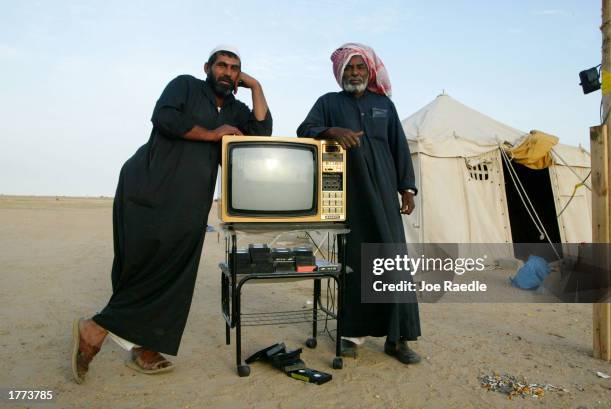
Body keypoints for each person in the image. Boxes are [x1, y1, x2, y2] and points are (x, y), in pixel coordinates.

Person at [71, 45, 272, 383]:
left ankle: (137, 344)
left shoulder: (237, 110)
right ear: (207, 67)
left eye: (235, 68)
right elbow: (164, 118)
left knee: (176, 272)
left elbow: (260, 135)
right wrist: (213, 134)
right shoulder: (185, 86)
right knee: (141, 266)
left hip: (191, 201)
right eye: (221, 65)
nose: (227, 72)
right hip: (147, 186)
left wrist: (257, 88)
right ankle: (99, 331)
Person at [297, 43, 421, 364]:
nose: (355, 73)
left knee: (392, 262)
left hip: (383, 191)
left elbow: (399, 147)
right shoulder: (328, 103)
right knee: (355, 261)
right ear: (340, 73)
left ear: (369, 71)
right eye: (349, 68)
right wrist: (332, 131)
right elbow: (304, 130)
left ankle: (398, 339)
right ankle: (352, 335)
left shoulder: (384, 105)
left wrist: (407, 189)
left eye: (360, 68)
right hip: (348, 192)